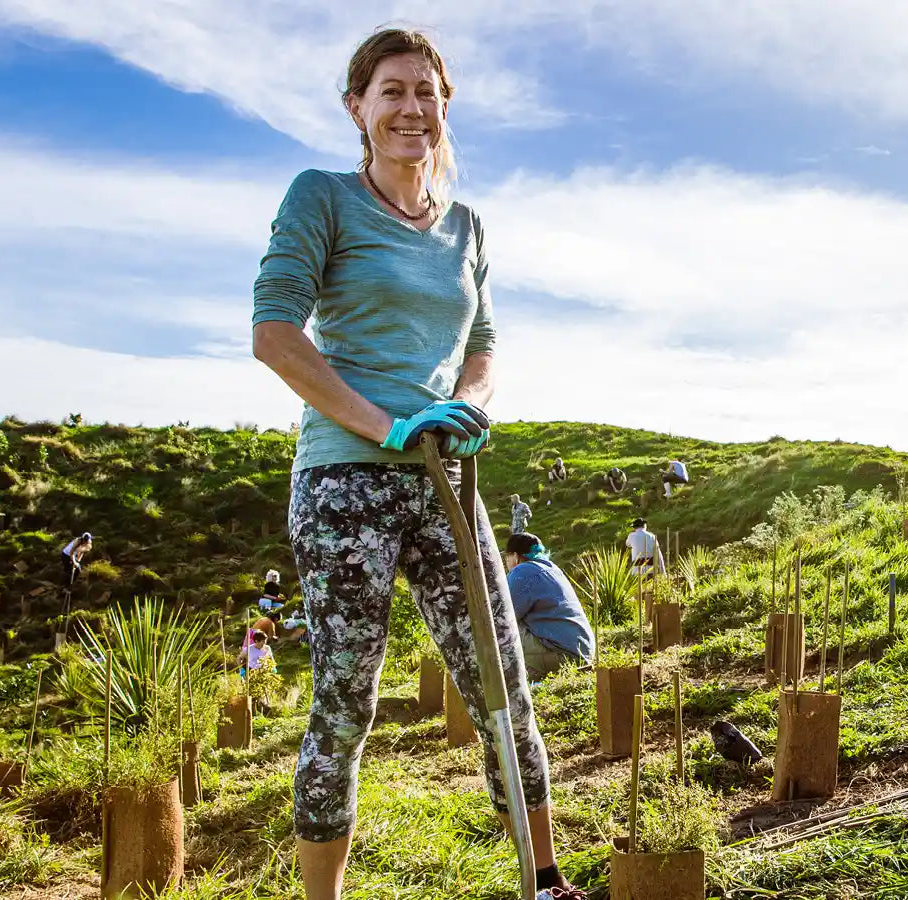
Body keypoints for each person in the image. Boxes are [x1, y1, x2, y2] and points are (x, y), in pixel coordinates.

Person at [247, 28, 583, 900]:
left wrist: (471, 403)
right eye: (392, 91)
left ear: (446, 106)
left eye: (427, 93)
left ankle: (543, 882)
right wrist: (386, 428)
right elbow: (276, 336)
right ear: (356, 107)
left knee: (503, 685)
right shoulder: (321, 197)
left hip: (447, 478)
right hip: (345, 480)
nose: (411, 109)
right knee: (346, 704)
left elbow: (484, 341)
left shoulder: (467, 226)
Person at [503, 533, 594, 680]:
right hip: (583, 651)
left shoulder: (521, 571)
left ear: (515, 556)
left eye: (506, 556)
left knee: (499, 627)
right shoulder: (552, 568)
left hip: (562, 655)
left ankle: (508, 679)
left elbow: (505, 616)